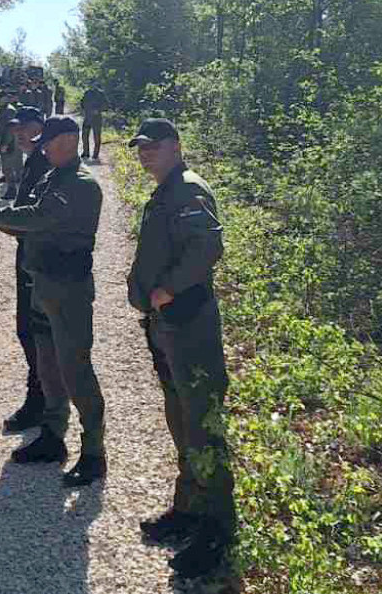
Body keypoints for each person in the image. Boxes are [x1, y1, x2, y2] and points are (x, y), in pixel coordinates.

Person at [0, 116, 107, 487]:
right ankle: (54, 436)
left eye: (49, 141)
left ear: (70, 140)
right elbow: (23, 225)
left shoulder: (81, 185)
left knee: (75, 369)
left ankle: (93, 452)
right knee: (48, 365)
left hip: (67, 289)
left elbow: (37, 218)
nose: (42, 147)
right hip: (42, 284)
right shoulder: (51, 177)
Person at [126, 118, 236, 580]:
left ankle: (217, 531)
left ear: (175, 146)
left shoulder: (188, 189)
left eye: (153, 146)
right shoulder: (166, 189)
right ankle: (188, 510)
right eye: (140, 148)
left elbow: (208, 245)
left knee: (202, 425)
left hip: (190, 324)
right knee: (181, 420)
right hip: (168, 325)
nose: (144, 153)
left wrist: (167, 288)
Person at [0, 106, 51, 434]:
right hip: (29, 256)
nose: (18, 133)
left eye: (25, 127)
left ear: (40, 127)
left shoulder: (45, 161)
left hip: (39, 260)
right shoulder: (34, 159)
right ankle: (42, 397)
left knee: (35, 332)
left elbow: (30, 217)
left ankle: (41, 401)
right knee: (28, 330)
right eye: (16, 129)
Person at [0, 91, 24, 202]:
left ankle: (12, 191)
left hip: (10, 143)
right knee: (10, 167)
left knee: (9, 167)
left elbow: (10, 129)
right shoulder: (5, 109)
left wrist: (5, 144)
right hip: (10, 142)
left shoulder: (8, 111)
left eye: (1, 98)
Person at [80, 85, 107, 160]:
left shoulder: (101, 94)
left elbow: (106, 106)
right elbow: (82, 103)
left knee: (97, 137)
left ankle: (95, 154)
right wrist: (85, 110)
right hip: (88, 118)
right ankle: (86, 152)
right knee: (84, 136)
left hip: (96, 119)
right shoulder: (87, 93)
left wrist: (98, 110)